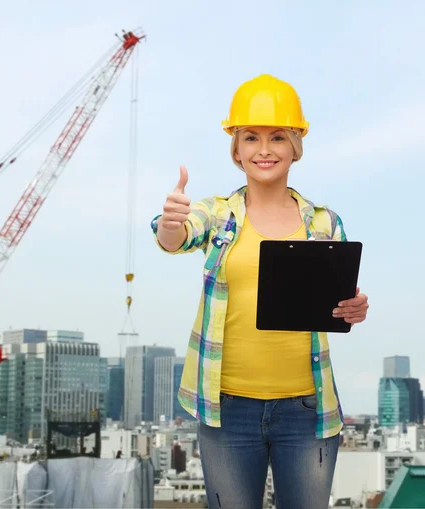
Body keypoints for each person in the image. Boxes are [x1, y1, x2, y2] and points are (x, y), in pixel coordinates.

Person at [150, 74, 369, 509]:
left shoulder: (324, 223)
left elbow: (340, 298)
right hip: (228, 409)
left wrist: (354, 308)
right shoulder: (216, 214)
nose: (264, 149)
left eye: (277, 137)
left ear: (295, 147)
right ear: (236, 148)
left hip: (306, 409)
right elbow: (174, 237)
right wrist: (172, 224)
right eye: (251, 137)